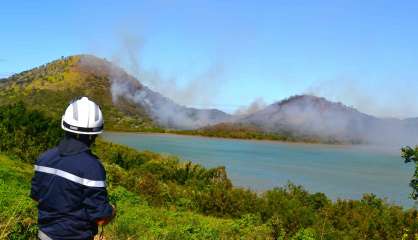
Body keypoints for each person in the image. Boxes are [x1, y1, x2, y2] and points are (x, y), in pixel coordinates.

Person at [30, 96, 116, 240]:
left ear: (64, 124)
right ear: (95, 133)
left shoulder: (44, 158)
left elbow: (36, 197)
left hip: (43, 235)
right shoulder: (92, 168)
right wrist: (112, 210)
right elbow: (101, 219)